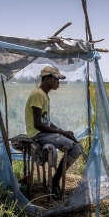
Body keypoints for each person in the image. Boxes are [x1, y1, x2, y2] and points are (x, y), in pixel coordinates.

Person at [25, 65, 86, 198]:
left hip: (43, 133)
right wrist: (61, 133)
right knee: (76, 148)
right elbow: (38, 124)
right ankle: (55, 180)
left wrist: (63, 131)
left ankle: (55, 179)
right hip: (38, 135)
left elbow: (46, 121)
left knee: (74, 144)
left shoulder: (44, 96)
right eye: (57, 79)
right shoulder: (38, 95)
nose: (58, 82)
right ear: (47, 79)